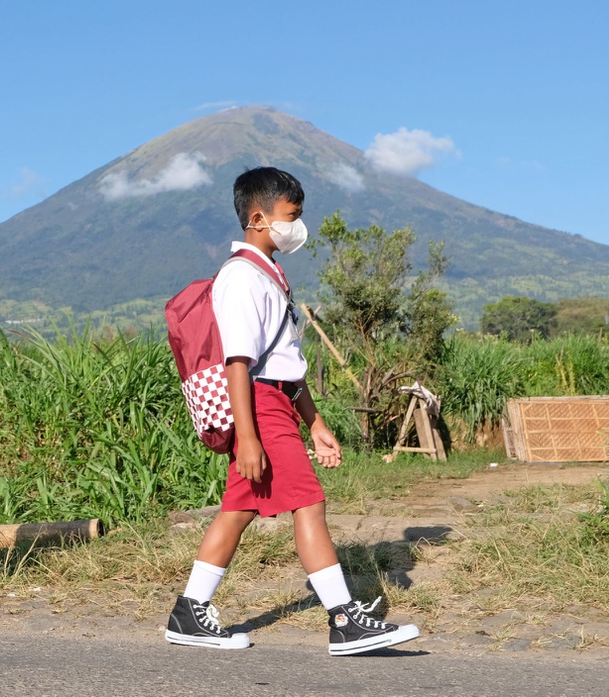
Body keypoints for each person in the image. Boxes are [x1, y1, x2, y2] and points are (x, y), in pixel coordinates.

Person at [165, 167, 419, 656]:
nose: (298, 226)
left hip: (274, 400)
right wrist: (249, 437)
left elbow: (284, 363)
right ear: (258, 217)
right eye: (292, 216)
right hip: (258, 407)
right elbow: (238, 363)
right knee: (309, 501)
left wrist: (316, 423)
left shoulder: (268, 273)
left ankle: (189, 611)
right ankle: (345, 620)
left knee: (238, 509)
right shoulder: (241, 277)